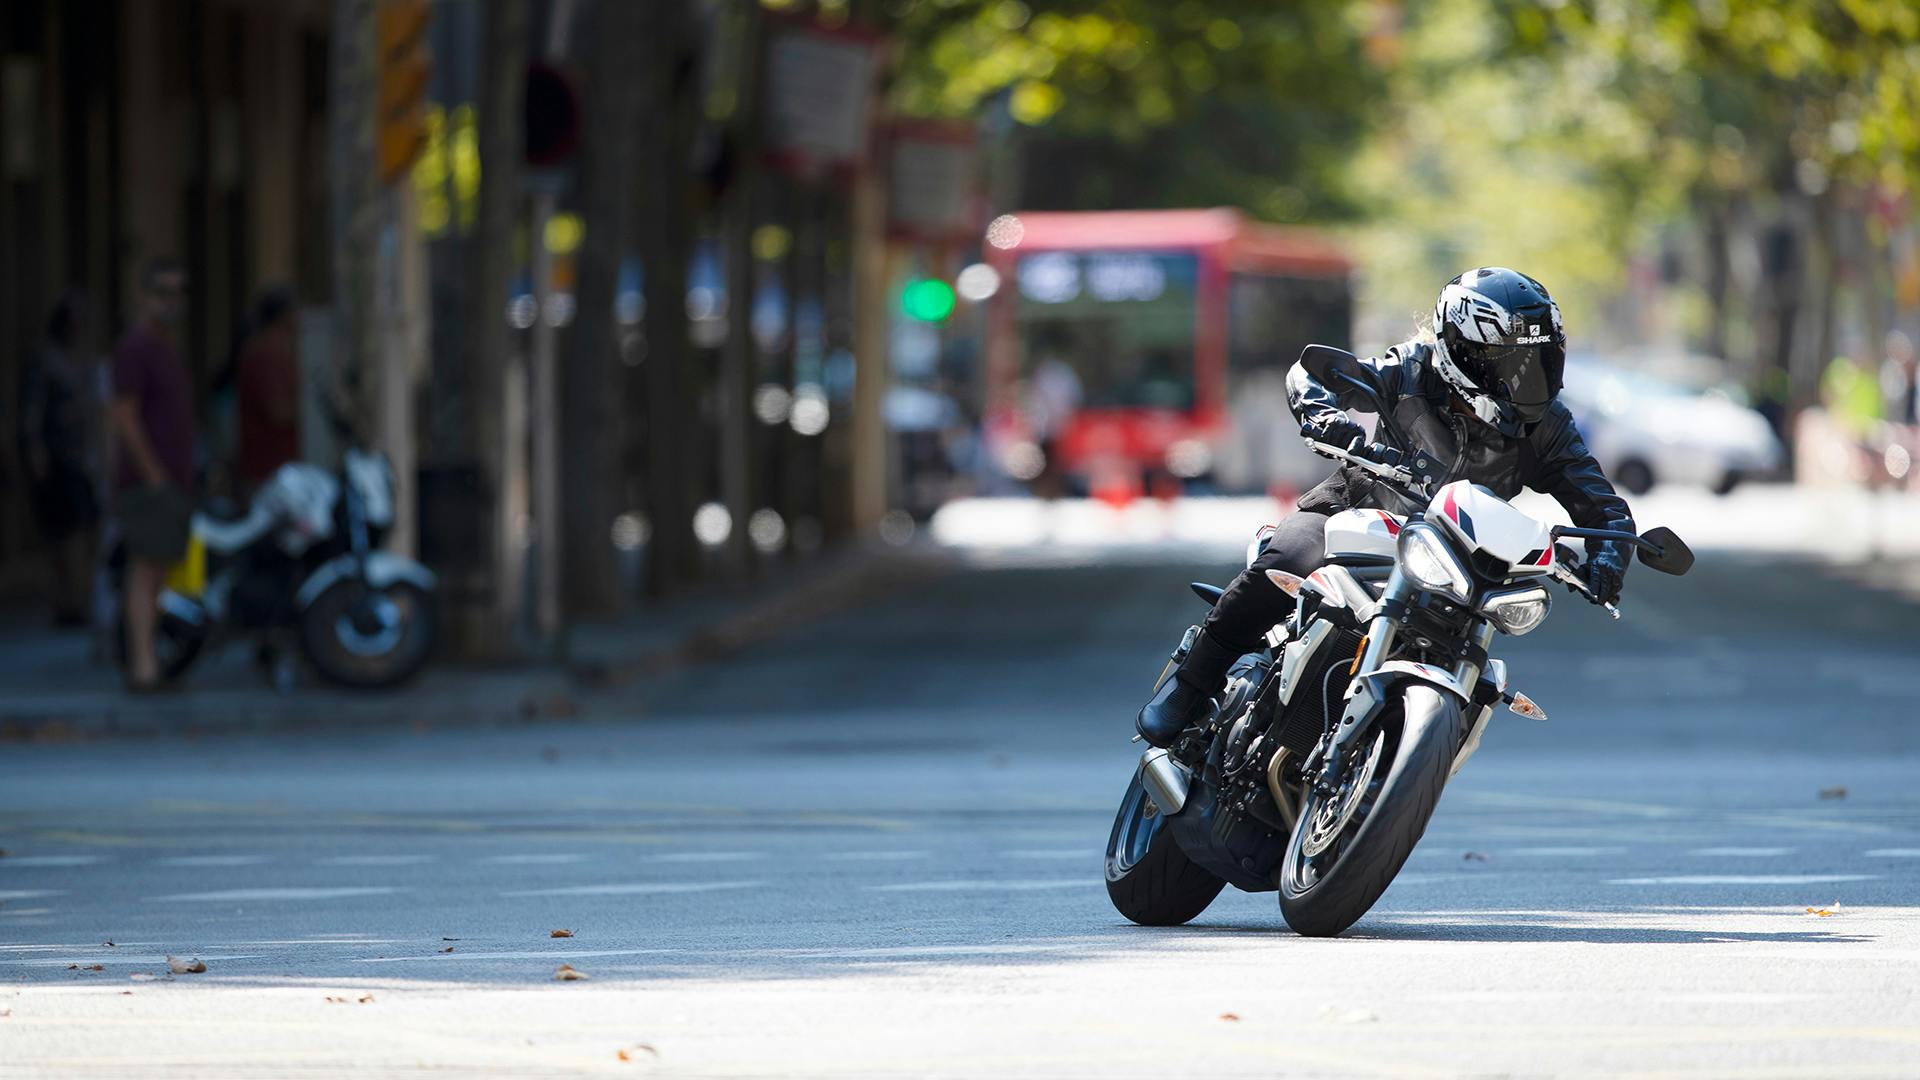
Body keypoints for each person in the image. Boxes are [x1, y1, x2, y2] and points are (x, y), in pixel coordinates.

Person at [1138, 267, 1636, 747]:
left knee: (1478, 662)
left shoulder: (1548, 427)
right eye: (1509, 362)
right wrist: (1328, 421)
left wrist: (1610, 557)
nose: (1527, 376)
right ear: (1463, 351)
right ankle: (1190, 687)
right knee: (1286, 562)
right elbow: (1311, 374)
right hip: (1352, 516)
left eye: (1538, 361)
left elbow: (1605, 510)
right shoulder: (1411, 370)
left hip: (1457, 562)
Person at [111, 258, 197, 692]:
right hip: (150, 484)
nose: (171, 302)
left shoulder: (166, 349)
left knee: (162, 571)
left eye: (178, 292)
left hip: (174, 480)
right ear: (144, 295)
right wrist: (153, 476)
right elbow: (124, 417)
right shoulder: (135, 349)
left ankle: (153, 661)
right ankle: (143, 667)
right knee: (144, 570)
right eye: (163, 292)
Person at [18, 291, 107, 626]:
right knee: (62, 533)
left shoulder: (83, 358)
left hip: (83, 457)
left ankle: (79, 597)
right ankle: (66, 600)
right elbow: (32, 411)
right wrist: (35, 451)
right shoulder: (45, 359)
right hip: (57, 457)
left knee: (85, 530)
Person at [234, 286, 301, 492]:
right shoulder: (263, 355)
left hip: (280, 468)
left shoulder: (279, 352)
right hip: (267, 471)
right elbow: (278, 411)